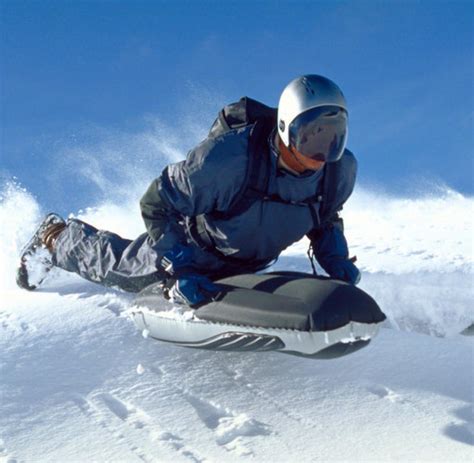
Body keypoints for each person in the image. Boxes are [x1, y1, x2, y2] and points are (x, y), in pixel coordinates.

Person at [16, 74, 360, 306]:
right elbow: (156, 202)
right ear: (286, 128)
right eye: (311, 136)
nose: (322, 153)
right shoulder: (229, 161)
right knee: (120, 268)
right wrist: (179, 268)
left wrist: (334, 256)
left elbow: (325, 216)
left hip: (250, 261)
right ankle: (56, 238)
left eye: (333, 137)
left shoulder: (337, 173)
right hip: (194, 250)